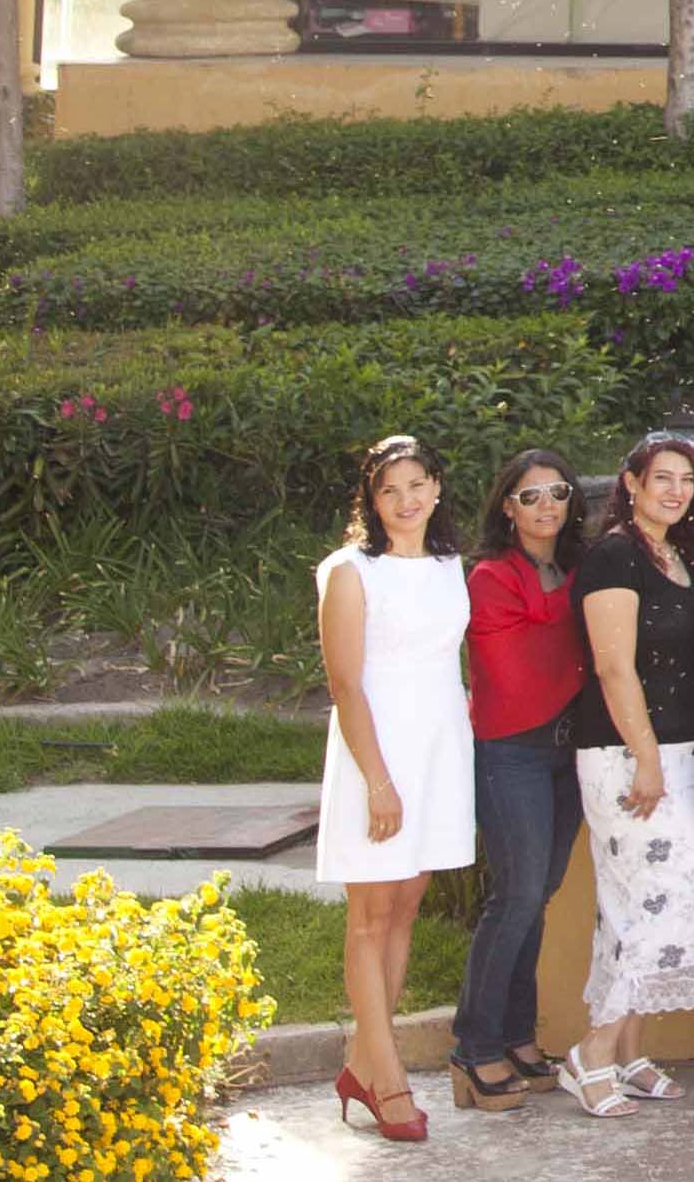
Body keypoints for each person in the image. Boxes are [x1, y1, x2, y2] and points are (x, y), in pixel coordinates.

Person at [314, 438, 472, 1142]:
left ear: (437, 487)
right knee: (370, 916)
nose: (406, 500)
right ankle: (389, 1080)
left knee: (406, 906)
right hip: (376, 757)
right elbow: (346, 684)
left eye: (418, 484)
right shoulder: (349, 573)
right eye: (389, 490)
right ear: (371, 502)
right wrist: (378, 781)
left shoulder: (449, 565)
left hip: (440, 751)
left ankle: (361, 1064)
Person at [450, 449, 593, 1119]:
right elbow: (518, 674)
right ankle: (472, 1048)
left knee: (539, 895)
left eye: (556, 493)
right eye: (529, 496)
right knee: (515, 897)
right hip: (512, 753)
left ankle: (516, 1035)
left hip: (569, 754)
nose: (546, 507)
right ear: (507, 506)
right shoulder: (488, 576)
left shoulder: (574, 569)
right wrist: (570, 618)